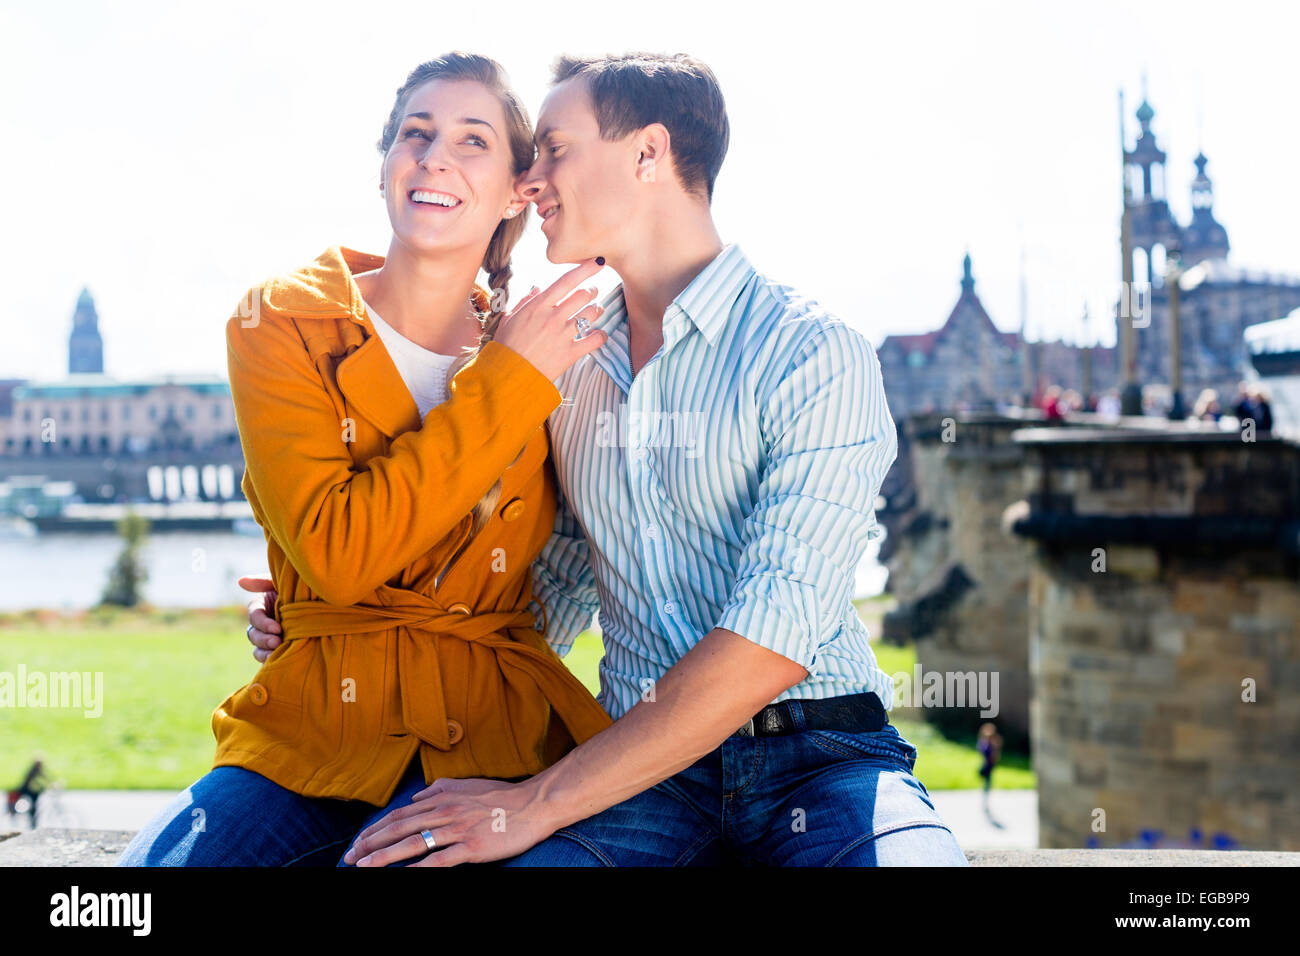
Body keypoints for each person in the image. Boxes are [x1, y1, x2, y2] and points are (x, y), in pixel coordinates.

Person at [251, 51, 968, 867]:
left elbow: (775, 635)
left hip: (823, 760)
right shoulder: (563, 361)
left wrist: (536, 803)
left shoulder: (813, 353)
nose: (529, 181)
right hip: (632, 775)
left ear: (648, 153)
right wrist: (334, 622)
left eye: (553, 149)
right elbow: (539, 589)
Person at [117, 52, 613, 867]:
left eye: (472, 140)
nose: (435, 157)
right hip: (310, 729)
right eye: (415, 134)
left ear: (519, 189)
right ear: (386, 162)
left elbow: (578, 554)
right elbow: (342, 553)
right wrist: (313, 609)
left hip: (486, 735)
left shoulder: (554, 348)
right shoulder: (280, 319)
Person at [976, 723, 1001, 810]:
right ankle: (985, 799)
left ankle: (985, 798)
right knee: (987, 782)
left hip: (989, 765)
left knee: (987, 782)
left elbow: (995, 755)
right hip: (986, 764)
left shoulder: (991, 743)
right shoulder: (984, 742)